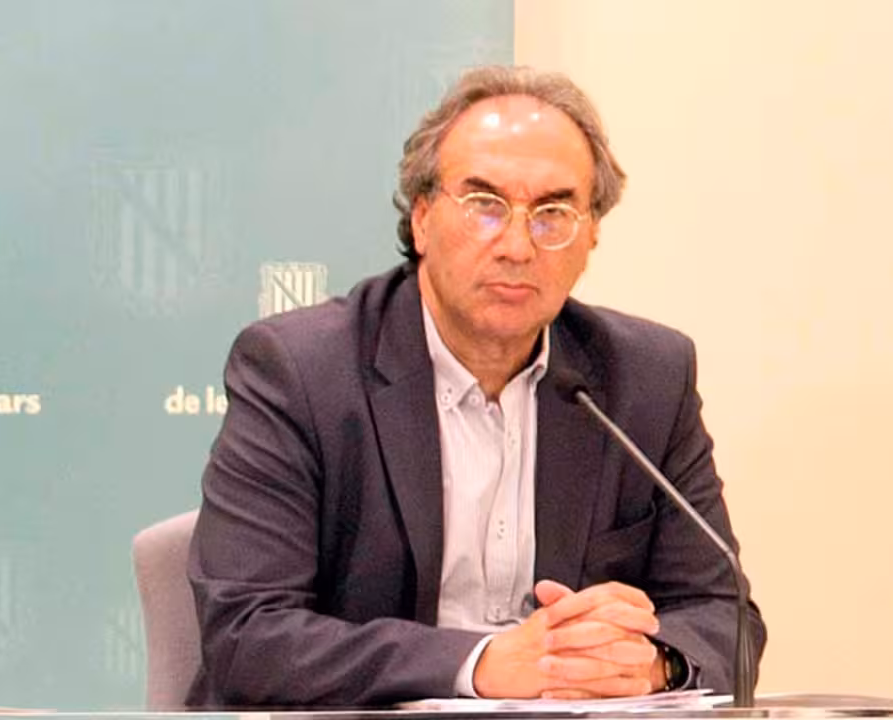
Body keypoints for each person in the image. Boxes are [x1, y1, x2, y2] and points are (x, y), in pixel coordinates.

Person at [186, 65, 765, 707]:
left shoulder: (646, 378)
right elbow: (248, 633)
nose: (517, 245)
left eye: (553, 213)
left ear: (592, 234)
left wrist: (650, 664)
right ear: (422, 219)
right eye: (485, 206)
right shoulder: (300, 370)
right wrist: (481, 664)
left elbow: (723, 614)